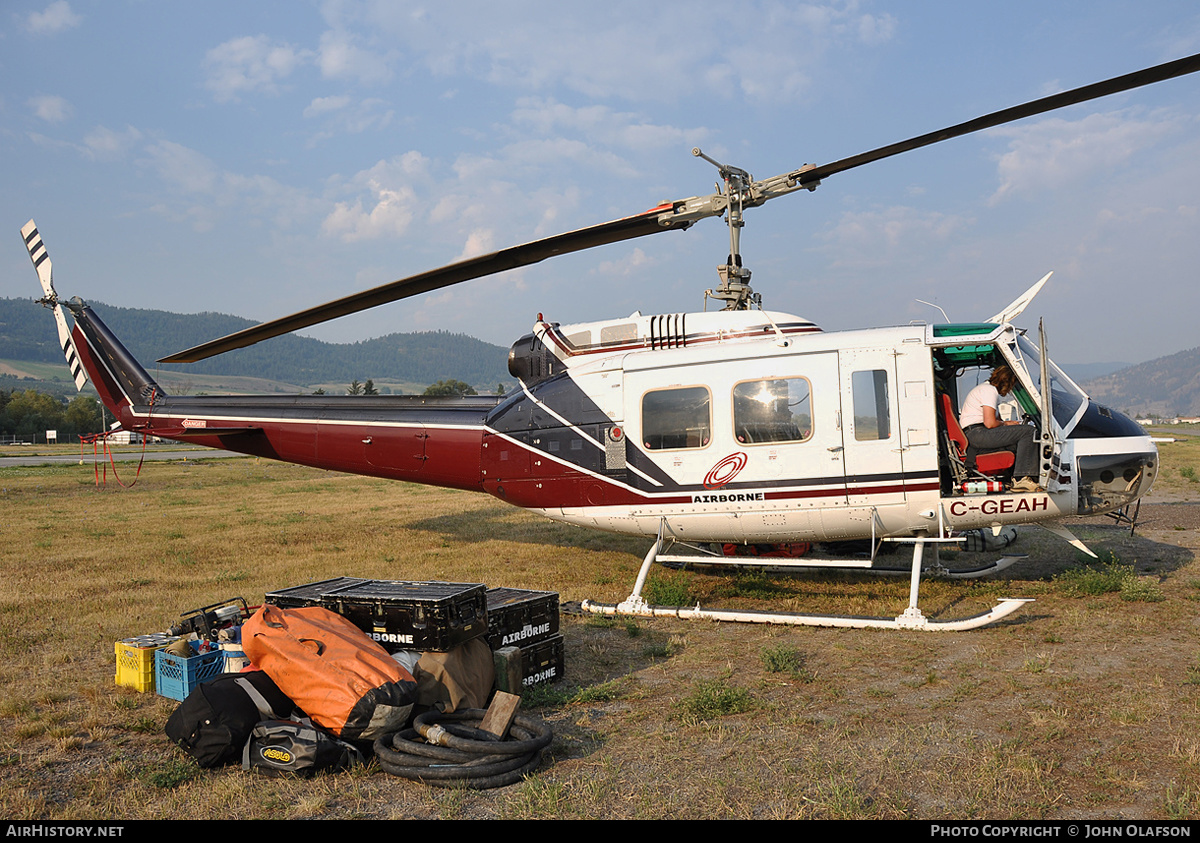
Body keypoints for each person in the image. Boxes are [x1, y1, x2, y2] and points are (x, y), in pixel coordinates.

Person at [958, 364, 1043, 493]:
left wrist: (1009, 425)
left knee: (1020, 441)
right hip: (977, 433)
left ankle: (1028, 476)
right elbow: (990, 423)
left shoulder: (986, 389)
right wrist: (1007, 424)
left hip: (977, 432)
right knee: (1029, 432)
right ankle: (1021, 479)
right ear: (1006, 382)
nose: (1009, 390)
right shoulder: (989, 390)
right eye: (1011, 386)